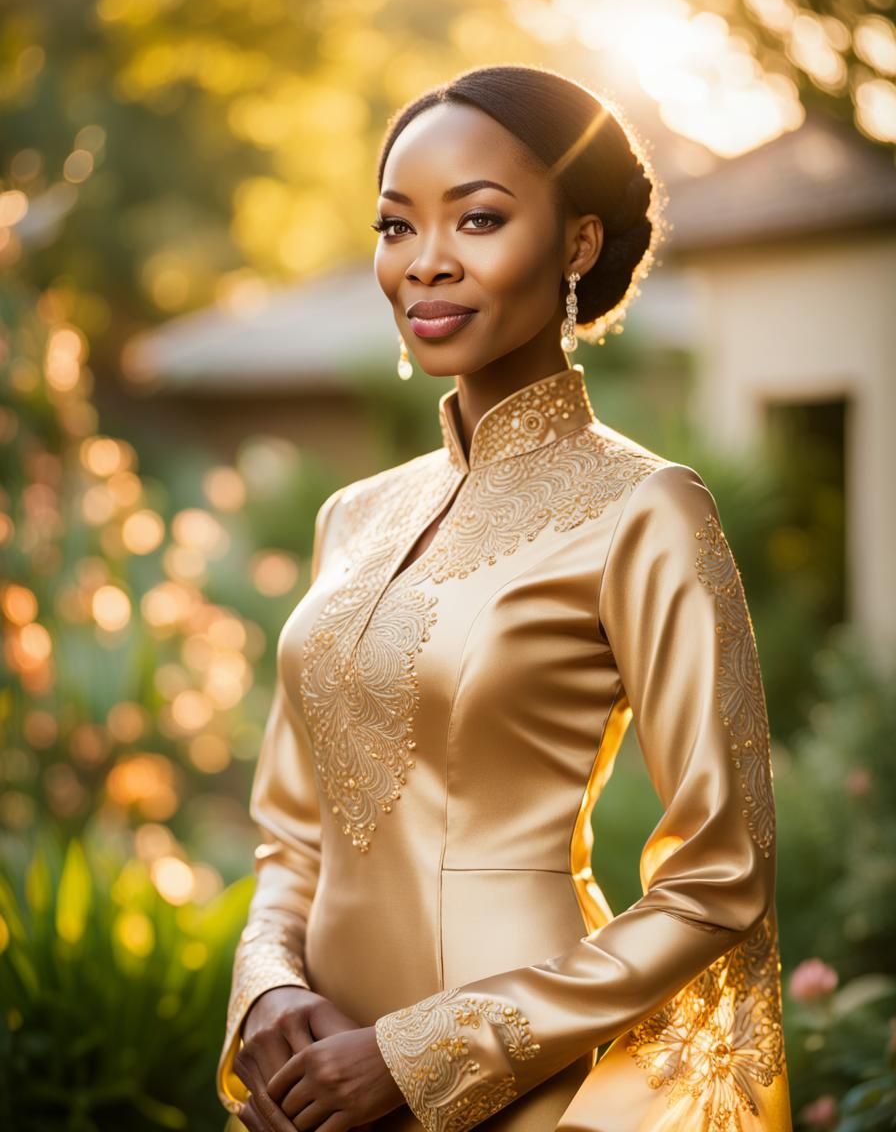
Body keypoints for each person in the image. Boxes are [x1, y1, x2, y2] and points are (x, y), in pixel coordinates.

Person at [216, 63, 792, 1132]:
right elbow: (291, 837)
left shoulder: (645, 511)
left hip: (519, 1085)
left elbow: (718, 877)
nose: (426, 262)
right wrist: (268, 993)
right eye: (396, 227)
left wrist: (418, 1057)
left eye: (477, 219)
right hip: (307, 1089)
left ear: (576, 243)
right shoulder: (351, 516)